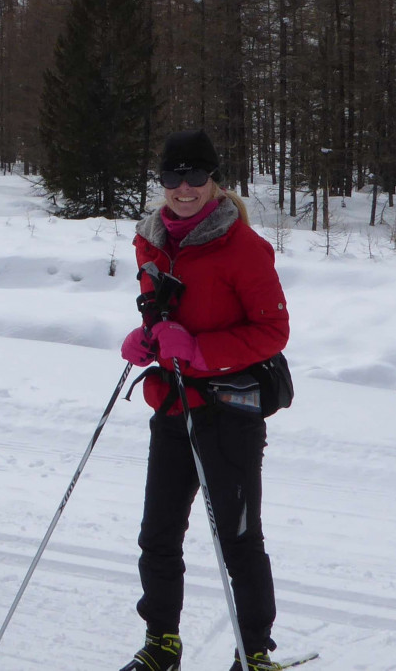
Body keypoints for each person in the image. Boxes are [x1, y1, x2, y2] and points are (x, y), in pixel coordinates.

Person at [118, 130, 290, 671]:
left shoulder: (244, 247)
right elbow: (162, 311)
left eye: (195, 175)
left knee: (239, 540)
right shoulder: (151, 239)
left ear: (214, 180)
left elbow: (273, 332)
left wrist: (197, 349)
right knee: (158, 535)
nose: (184, 187)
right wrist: (147, 337)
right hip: (173, 405)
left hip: (229, 412)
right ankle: (162, 644)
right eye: (173, 176)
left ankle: (254, 653)